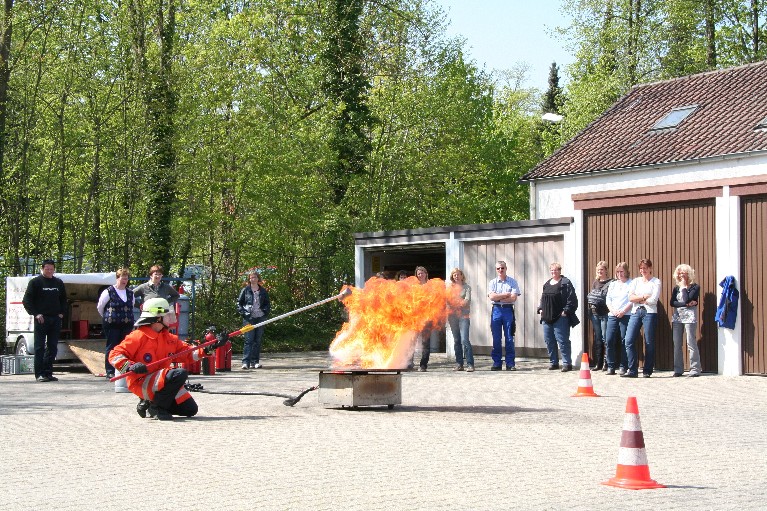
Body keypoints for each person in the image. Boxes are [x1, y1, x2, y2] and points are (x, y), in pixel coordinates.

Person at [109, 297, 227, 420]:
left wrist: (212, 347)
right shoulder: (138, 336)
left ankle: (149, 403)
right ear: (158, 317)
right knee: (179, 374)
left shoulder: (169, 338)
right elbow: (114, 355)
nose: (170, 318)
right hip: (142, 382)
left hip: (161, 383)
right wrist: (130, 366)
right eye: (167, 314)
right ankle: (156, 407)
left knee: (190, 409)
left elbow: (189, 353)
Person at [22, 259, 67, 382]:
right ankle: (39, 374)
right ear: (42, 269)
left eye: (51, 269)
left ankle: (48, 372)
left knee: (52, 346)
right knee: (39, 347)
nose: (49, 271)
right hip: (41, 319)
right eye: (47, 269)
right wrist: (36, 314)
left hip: (55, 318)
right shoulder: (35, 282)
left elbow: (64, 299)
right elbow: (26, 301)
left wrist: (62, 313)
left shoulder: (58, 282)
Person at [622, 259, 662, 378]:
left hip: (649, 313)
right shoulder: (636, 281)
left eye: (645, 268)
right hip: (636, 311)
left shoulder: (656, 282)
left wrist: (638, 298)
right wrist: (644, 297)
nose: (643, 270)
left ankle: (647, 370)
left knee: (649, 341)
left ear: (650, 268)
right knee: (628, 340)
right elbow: (630, 298)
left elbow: (654, 300)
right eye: (641, 268)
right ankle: (632, 370)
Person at [537, 262, 579, 372]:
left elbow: (572, 299)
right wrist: (540, 308)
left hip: (560, 317)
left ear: (560, 271)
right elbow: (543, 299)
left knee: (563, 341)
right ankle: (554, 362)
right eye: (552, 270)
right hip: (547, 317)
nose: (553, 272)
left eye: (556, 270)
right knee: (549, 340)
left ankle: (566, 363)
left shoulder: (565, 283)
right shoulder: (547, 284)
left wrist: (566, 311)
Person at [97, 268, 135, 379]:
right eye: (122, 278)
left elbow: (131, 306)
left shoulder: (130, 293)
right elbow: (100, 306)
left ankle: (123, 370)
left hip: (126, 324)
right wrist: (107, 317)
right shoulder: (108, 291)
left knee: (125, 348)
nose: (124, 281)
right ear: (117, 278)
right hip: (112, 325)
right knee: (112, 346)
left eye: (126, 279)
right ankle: (110, 371)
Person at [488, 260, 520, 371]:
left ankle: (510, 363)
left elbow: (513, 298)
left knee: (509, 337)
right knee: (496, 338)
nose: (500, 270)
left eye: (502, 268)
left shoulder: (512, 282)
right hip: (496, 310)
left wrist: (498, 297)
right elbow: (492, 297)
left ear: (506, 268)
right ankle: (497, 363)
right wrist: (505, 295)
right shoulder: (492, 282)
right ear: (496, 270)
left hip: (508, 310)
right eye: (498, 268)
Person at [670, 264, 701, 377]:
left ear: (688, 274)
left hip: (689, 317)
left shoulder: (695, 287)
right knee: (677, 343)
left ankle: (695, 369)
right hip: (677, 317)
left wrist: (683, 288)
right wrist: (686, 304)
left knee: (690, 342)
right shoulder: (676, 288)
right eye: (679, 273)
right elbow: (672, 303)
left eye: (683, 273)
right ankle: (678, 369)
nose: (681, 275)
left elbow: (688, 298)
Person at [237, 270, 271, 369]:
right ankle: (245, 362)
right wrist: (244, 313)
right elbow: (239, 303)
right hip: (249, 318)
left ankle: (255, 362)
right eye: (251, 277)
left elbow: (267, 303)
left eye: (255, 277)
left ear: (258, 278)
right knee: (249, 340)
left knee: (257, 340)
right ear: (249, 279)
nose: (253, 279)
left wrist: (265, 312)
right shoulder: (245, 290)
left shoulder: (263, 291)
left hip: (260, 317)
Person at [605, 262, 632, 375]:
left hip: (626, 315)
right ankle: (611, 366)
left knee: (624, 340)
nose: (619, 274)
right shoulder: (613, 284)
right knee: (609, 339)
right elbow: (608, 299)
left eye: (622, 271)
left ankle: (623, 366)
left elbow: (632, 300)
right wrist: (612, 310)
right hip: (613, 315)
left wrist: (623, 311)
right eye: (618, 272)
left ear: (626, 271)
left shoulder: (631, 283)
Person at [587, 261, 613, 370]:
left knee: (605, 338)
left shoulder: (611, 282)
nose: (600, 271)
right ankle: (599, 362)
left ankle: (607, 362)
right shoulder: (595, 282)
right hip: (595, 313)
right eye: (598, 270)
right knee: (598, 338)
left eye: (602, 269)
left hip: (605, 313)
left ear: (606, 270)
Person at [448, 268, 474, 372]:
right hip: (452, 316)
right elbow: (448, 301)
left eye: (458, 274)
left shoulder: (467, 287)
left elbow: (467, 301)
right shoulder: (449, 288)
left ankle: (470, 364)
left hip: (464, 316)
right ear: (452, 277)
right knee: (456, 340)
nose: (456, 276)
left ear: (462, 276)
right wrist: (458, 302)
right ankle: (459, 364)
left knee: (464, 339)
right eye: (454, 275)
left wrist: (456, 303)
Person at [413, 266, 439, 371]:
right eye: (418, 273)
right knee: (412, 341)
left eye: (422, 273)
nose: (420, 275)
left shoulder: (430, 286)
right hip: (415, 318)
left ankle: (423, 365)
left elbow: (434, 300)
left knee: (425, 342)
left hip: (427, 318)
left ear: (426, 273)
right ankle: (408, 363)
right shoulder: (414, 287)